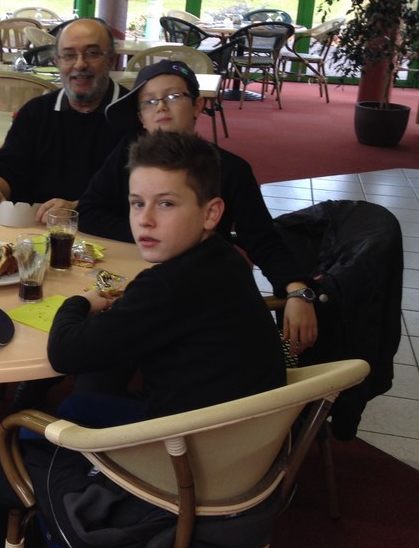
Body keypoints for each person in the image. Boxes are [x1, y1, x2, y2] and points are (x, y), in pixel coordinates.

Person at [0, 130, 287, 548]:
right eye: (137, 202)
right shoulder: (226, 262)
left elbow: (65, 352)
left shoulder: (167, 287)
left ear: (211, 213)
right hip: (246, 453)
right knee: (83, 403)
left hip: (182, 466)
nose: (145, 220)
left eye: (166, 204)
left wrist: (81, 301)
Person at [77, 60, 318, 361]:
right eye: (149, 102)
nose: (161, 107)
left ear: (197, 105)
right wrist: (154, 238)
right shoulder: (129, 156)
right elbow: (90, 211)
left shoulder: (229, 170)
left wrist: (297, 289)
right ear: (140, 117)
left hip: (200, 292)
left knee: (103, 351)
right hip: (136, 279)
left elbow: (262, 239)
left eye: (173, 97)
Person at [0, 18, 138, 224]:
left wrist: (77, 208)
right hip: (29, 231)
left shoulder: (136, 117)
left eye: (92, 53)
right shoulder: (36, 112)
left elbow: (142, 194)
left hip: (101, 233)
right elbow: (5, 167)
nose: (79, 64)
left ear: (111, 59)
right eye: (68, 55)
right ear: (57, 61)